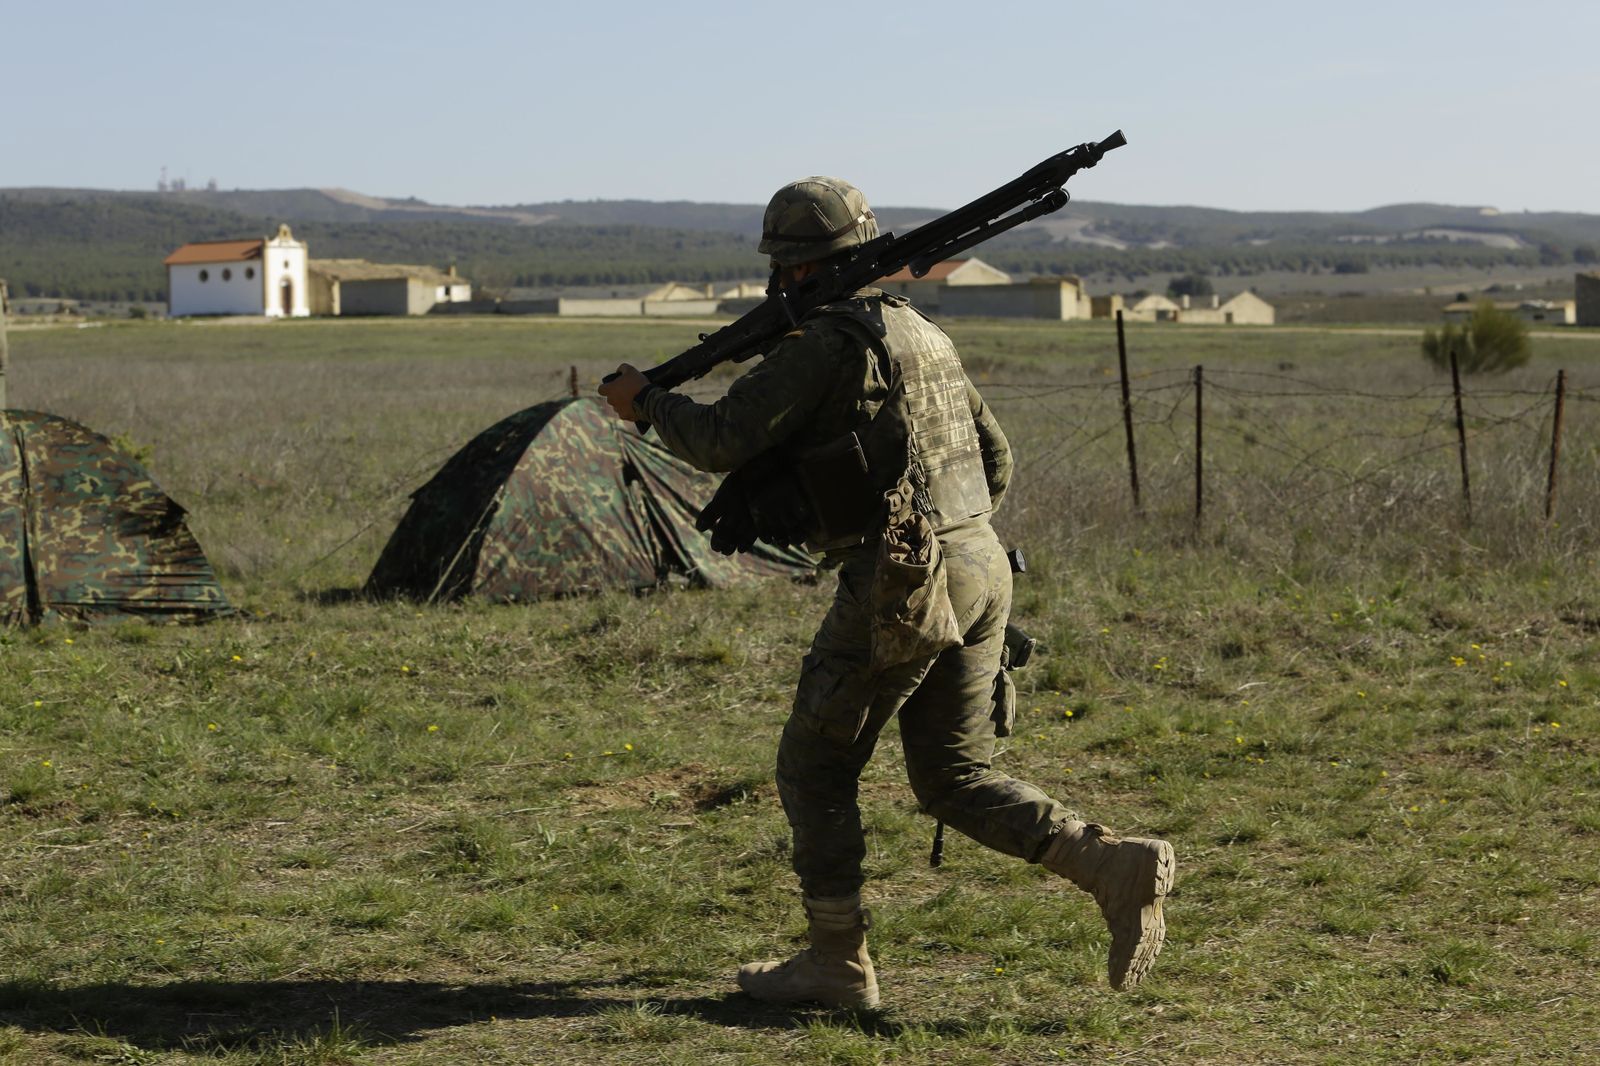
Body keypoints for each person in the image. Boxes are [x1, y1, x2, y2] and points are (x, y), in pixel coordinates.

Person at [599, 176, 1174, 1009]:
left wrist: (644, 401)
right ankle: (1112, 864)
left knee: (813, 764)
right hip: (978, 561)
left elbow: (723, 436)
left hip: (903, 580)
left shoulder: (827, 343)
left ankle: (836, 965)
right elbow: (998, 457)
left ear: (791, 268)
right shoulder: (921, 333)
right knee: (950, 776)